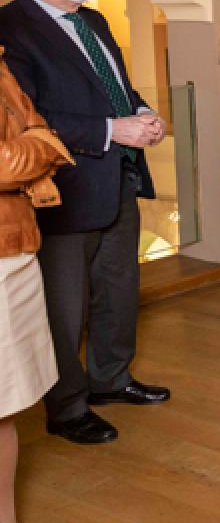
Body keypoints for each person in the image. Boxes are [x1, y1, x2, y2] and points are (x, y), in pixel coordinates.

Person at [0, 0, 169, 446]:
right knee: (64, 304)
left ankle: (111, 379)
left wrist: (139, 111)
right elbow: (31, 118)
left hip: (118, 175)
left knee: (119, 289)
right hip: (64, 187)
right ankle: (67, 407)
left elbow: (115, 84)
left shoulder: (91, 18)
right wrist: (110, 130)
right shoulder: (11, 29)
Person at [0, 50, 71, 523]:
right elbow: (11, 160)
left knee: (5, 407)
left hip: (14, 244)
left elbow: (39, 126)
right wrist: (38, 148)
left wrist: (34, 144)